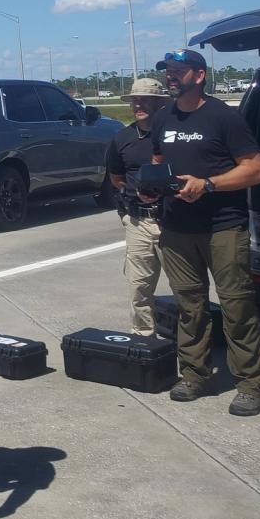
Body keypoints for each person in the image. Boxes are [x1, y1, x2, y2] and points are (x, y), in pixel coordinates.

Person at [141, 48, 260, 416]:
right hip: (177, 227)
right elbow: (157, 162)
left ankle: (250, 383)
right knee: (189, 306)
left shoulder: (223, 117)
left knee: (236, 304)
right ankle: (196, 374)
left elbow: (256, 170)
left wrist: (208, 184)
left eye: (178, 70)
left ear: (199, 75)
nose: (171, 76)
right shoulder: (163, 117)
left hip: (222, 226)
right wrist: (151, 187)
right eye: (168, 70)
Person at [105, 78, 168, 335]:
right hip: (138, 221)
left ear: (160, 103)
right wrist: (130, 197)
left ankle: (192, 349)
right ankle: (144, 340)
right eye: (134, 100)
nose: (138, 105)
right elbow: (116, 177)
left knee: (185, 288)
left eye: (145, 100)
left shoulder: (173, 135)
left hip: (173, 220)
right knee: (138, 287)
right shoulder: (123, 138)